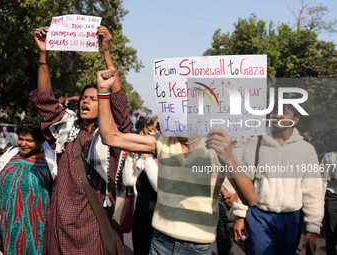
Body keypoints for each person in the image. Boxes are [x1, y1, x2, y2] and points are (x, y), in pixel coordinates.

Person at [95, 69, 256, 255]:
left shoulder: (217, 145)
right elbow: (111, 137)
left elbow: (250, 198)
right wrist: (103, 92)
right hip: (159, 242)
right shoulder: (162, 142)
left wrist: (228, 156)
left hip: (198, 247)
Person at [31, 26, 132, 254]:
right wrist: (43, 54)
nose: (85, 101)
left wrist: (106, 52)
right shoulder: (67, 129)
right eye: (84, 98)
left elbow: (118, 103)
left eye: (94, 98)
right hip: (58, 223)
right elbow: (46, 101)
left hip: (91, 227)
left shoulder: (112, 137)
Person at [233, 105, 324, 255]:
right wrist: (239, 215)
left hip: (292, 218)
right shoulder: (256, 143)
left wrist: (312, 229)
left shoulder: (305, 149)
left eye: (285, 112)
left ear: (296, 119)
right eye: (275, 111)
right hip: (259, 216)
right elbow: (245, 180)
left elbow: (313, 191)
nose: (278, 115)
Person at [0, 117, 56, 255]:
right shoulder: (9, 155)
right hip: (9, 224)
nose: (23, 144)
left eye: (29, 140)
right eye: (21, 139)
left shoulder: (51, 162)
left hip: (37, 227)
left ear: (40, 141)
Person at [123, 120, 158, 255]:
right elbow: (127, 181)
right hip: (140, 221)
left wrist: (146, 156)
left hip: (159, 225)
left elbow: (158, 186)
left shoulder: (167, 163)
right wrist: (131, 157)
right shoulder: (142, 161)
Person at [321, 133, 337, 255]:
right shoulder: (330, 157)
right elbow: (322, 179)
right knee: (331, 232)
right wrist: (320, 202)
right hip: (332, 198)